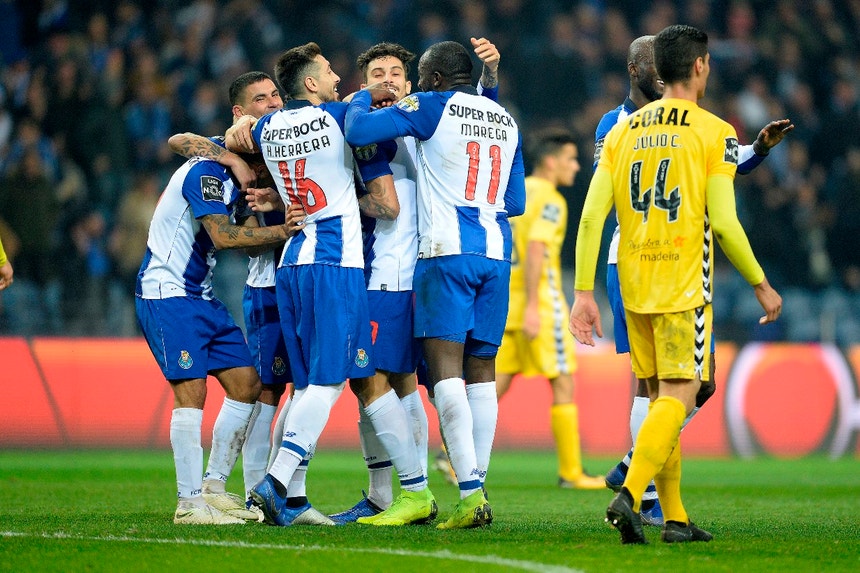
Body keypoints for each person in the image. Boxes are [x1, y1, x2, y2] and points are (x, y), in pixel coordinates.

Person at [569, 24, 782, 544]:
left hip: (631, 277)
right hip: (682, 279)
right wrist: (760, 283)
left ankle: (675, 518)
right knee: (682, 395)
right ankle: (629, 492)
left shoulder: (621, 132)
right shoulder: (714, 130)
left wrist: (583, 292)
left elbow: (592, 217)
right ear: (701, 65)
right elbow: (724, 223)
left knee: (659, 395)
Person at [345, 39, 525, 529]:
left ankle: (468, 495)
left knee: (445, 375)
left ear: (436, 79)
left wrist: (364, 95)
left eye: (422, 78)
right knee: (481, 372)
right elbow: (516, 201)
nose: (418, 85)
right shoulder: (505, 119)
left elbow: (359, 128)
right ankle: (478, 484)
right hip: (496, 253)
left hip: (446, 252)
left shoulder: (430, 104)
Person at [225, 42, 399, 527]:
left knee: (303, 387)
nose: (337, 78)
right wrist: (384, 92)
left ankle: (295, 498)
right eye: (328, 71)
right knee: (330, 380)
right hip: (334, 260)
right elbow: (372, 119)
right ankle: (276, 481)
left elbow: (234, 136)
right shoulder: (340, 116)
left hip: (291, 261)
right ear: (310, 83)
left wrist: (239, 150)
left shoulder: (267, 127)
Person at [167, 71, 335, 526]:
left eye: (276, 94)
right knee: (266, 390)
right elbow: (179, 140)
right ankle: (249, 492)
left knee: (305, 388)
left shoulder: (296, 137)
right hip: (267, 284)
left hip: (311, 277)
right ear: (240, 112)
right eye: (261, 99)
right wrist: (232, 156)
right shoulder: (237, 148)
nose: (273, 103)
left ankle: (289, 496)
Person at [135, 125, 304, 525]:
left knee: (246, 383)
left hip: (201, 295)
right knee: (192, 393)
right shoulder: (207, 171)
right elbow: (223, 236)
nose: (267, 169)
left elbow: (249, 239)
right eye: (264, 162)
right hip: (168, 292)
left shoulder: (235, 181)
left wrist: (283, 218)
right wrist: (283, 229)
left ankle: (213, 486)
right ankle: (189, 503)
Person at [494, 127, 604, 490]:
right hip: (540, 303)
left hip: (506, 302)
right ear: (552, 162)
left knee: (496, 383)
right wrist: (532, 307)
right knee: (563, 382)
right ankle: (571, 472)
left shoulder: (516, 192)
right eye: (571, 159)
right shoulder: (552, 200)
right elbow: (537, 249)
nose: (576, 166)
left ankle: (452, 457)